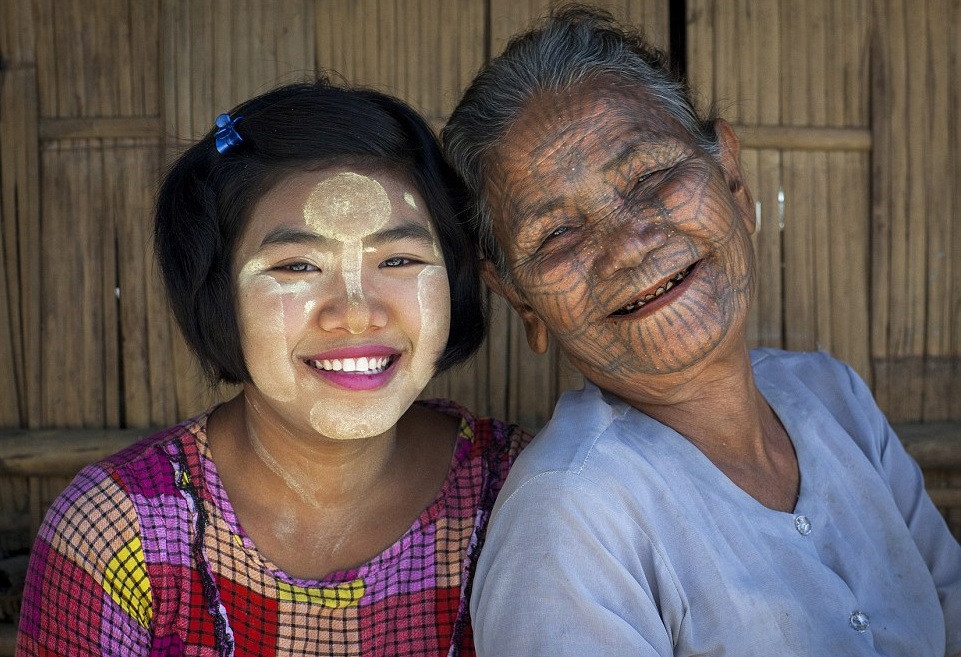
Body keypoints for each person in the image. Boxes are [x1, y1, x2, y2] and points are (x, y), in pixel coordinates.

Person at [441, 5, 961, 656]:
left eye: (651, 175)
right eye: (556, 234)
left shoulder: (832, 396)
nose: (627, 244)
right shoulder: (572, 520)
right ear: (520, 302)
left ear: (732, 179)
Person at [17, 77, 530, 657]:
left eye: (399, 258)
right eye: (298, 267)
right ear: (218, 296)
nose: (356, 315)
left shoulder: (529, 498)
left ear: (457, 281)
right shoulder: (119, 531)